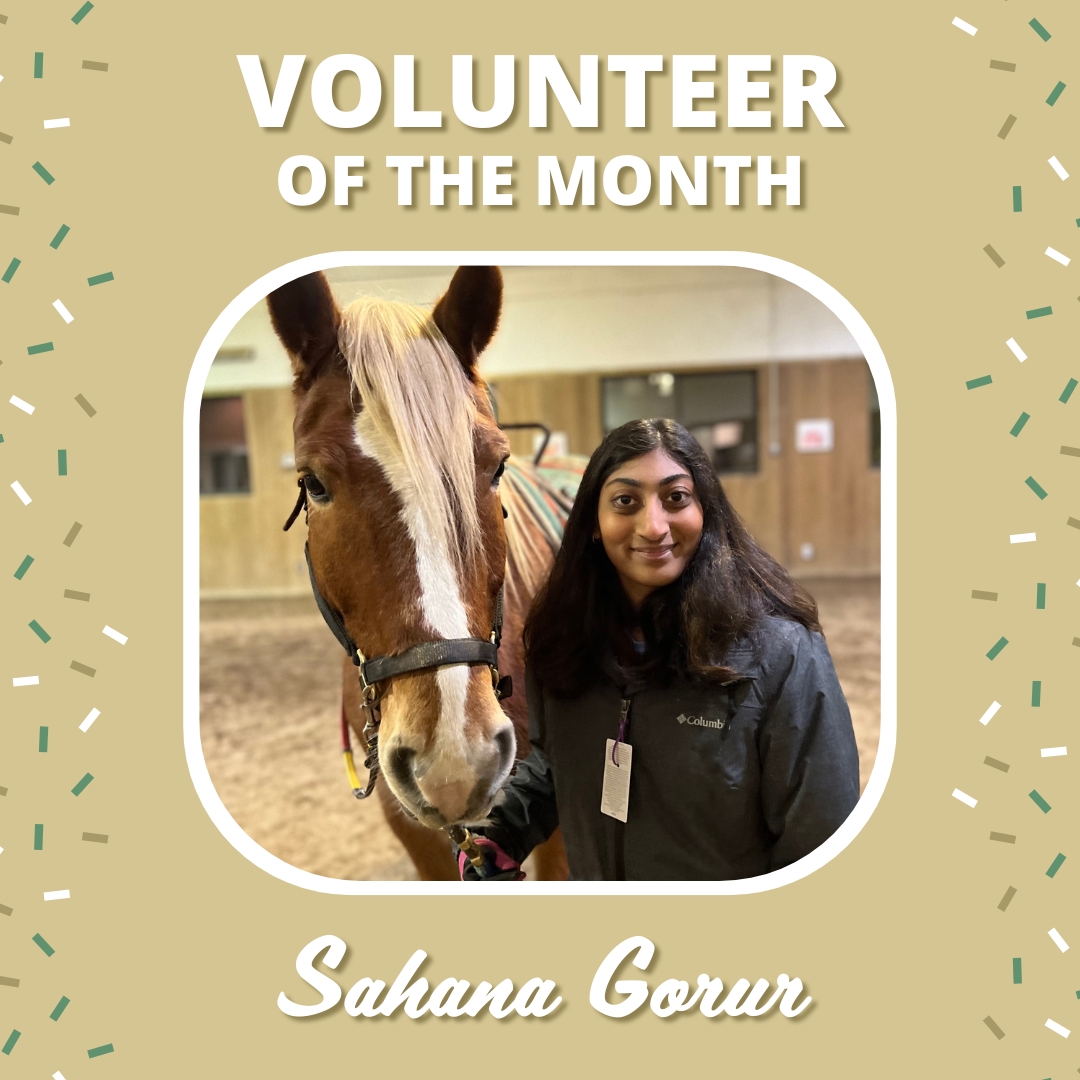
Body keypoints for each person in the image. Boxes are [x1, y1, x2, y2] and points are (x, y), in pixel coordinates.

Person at [458, 417, 860, 881]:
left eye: (676, 498)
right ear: (593, 522)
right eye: (626, 501)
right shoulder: (564, 642)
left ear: (706, 511)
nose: (653, 526)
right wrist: (502, 830)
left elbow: (821, 840)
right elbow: (558, 761)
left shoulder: (783, 656)